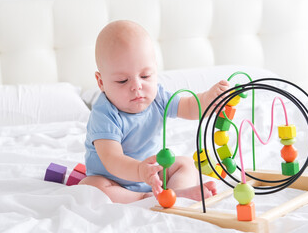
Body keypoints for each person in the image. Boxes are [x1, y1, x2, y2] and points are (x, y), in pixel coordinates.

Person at [79, 20, 230, 203]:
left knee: (186, 163)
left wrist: (208, 100)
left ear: (155, 70)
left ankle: (178, 192)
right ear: (101, 82)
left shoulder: (158, 97)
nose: (137, 86)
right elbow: (113, 159)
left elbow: (189, 106)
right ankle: (145, 197)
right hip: (114, 180)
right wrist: (139, 171)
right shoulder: (104, 114)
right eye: (122, 81)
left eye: (145, 76)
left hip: (153, 173)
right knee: (91, 186)